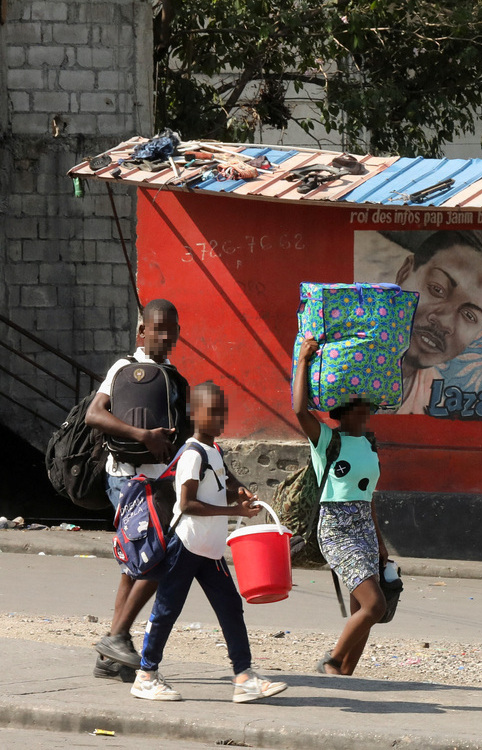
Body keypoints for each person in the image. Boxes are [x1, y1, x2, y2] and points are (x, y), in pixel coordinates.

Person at [132, 382, 288, 703]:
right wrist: (235, 510)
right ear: (195, 414)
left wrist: (239, 492)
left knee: (231, 607)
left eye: (222, 411)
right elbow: (187, 503)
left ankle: (244, 678)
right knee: (166, 610)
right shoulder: (191, 454)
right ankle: (146, 675)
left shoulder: (214, 451)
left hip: (209, 549)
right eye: (211, 411)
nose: (218, 418)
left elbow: (221, 484)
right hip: (186, 546)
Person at [85, 298, 188, 682]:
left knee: (135, 564)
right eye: (156, 329)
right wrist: (142, 435)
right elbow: (94, 415)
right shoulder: (123, 368)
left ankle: (110, 656)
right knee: (160, 559)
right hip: (127, 478)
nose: (164, 336)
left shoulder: (171, 374)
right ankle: (117, 638)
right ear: (141, 332)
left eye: (170, 329)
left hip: (161, 480)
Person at [293, 334, 389, 675]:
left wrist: (379, 541)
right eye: (360, 408)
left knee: (362, 608)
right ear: (343, 412)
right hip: (335, 527)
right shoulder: (326, 439)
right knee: (374, 605)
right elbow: (298, 409)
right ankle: (331, 661)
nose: (367, 413)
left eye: (368, 408)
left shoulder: (368, 443)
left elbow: (369, 496)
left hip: (363, 524)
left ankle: (346, 673)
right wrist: (303, 360)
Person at [385, 230, 482, 414]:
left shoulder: (436, 402)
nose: (444, 322)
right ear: (405, 273)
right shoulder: (346, 365)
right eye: (437, 289)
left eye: (469, 316)